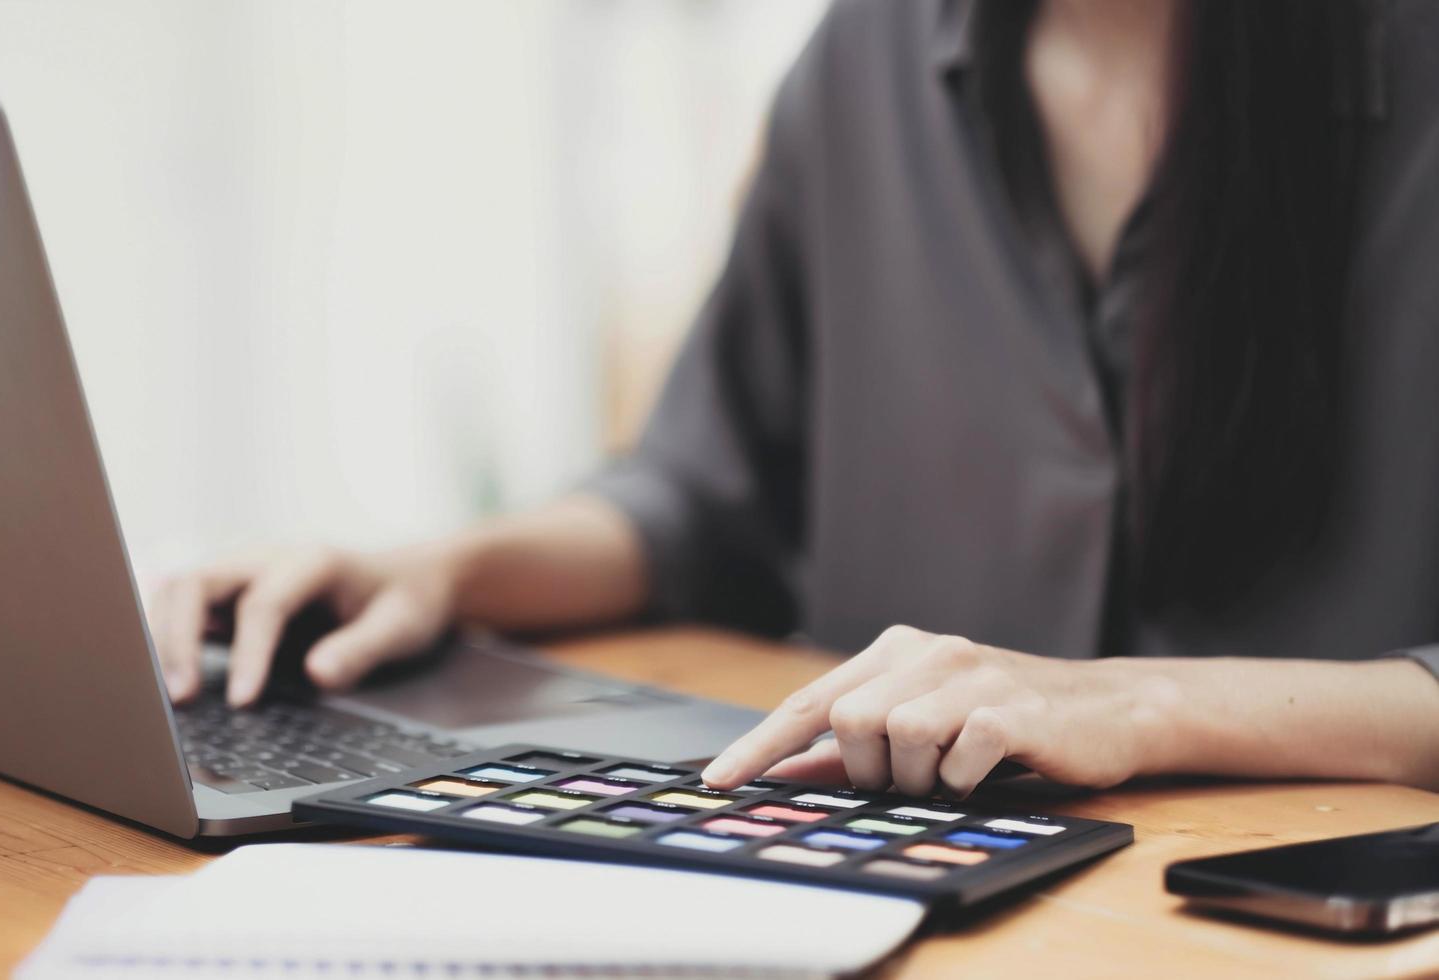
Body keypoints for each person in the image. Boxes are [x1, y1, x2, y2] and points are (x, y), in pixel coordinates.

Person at [149, 0, 1439, 797]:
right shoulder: (867, 55)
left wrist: (1132, 704)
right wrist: (444, 570)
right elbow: (703, 495)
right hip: (931, 902)